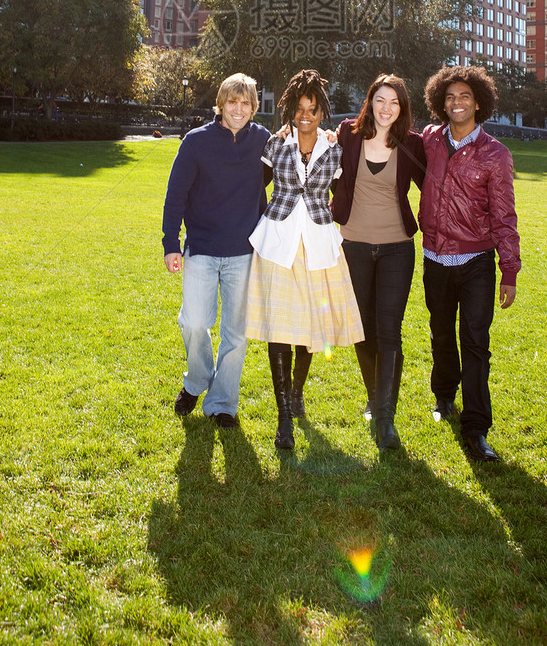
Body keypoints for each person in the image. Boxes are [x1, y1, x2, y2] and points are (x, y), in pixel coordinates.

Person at [246, 69, 363, 450]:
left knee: (308, 325)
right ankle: (283, 418)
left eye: (312, 109)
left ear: (322, 111)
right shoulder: (275, 144)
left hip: (317, 244)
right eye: (299, 109)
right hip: (278, 243)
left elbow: (344, 196)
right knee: (280, 328)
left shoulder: (335, 148)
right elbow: (251, 185)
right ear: (290, 111)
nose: (305, 115)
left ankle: (296, 395)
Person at [420, 65, 521, 462]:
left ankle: (476, 427)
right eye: (449, 97)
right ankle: (444, 397)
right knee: (441, 334)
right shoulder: (428, 140)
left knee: (475, 342)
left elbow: (505, 216)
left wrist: (508, 271)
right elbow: (386, 135)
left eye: (464, 97)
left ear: (478, 102)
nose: (456, 103)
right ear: (440, 103)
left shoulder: (496, 154)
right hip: (434, 259)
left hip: (477, 260)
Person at [161, 73, 270, 428]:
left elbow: (295, 156)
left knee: (235, 333)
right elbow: (175, 196)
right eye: (232, 102)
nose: (238, 109)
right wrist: (170, 243)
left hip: (243, 251)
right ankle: (197, 380)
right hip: (202, 248)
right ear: (221, 104)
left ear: (254, 108)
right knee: (194, 322)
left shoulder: (264, 142)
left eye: (245, 103)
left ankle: (223, 402)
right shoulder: (196, 142)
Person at [331, 74, 427, 451]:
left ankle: (385, 417)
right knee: (362, 327)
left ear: (402, 108)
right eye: (380, 100)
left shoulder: (412, 144)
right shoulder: (348, 134)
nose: (387, 108)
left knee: (389, 329)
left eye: (395, 103)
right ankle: (374, 395)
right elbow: (318, 152)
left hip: (396, 248)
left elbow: (436, 184)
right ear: (369, 101)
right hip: (352, 244)